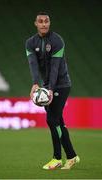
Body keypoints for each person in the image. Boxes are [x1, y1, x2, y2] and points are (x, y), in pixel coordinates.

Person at [25, 12, 80, 170]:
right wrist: (36, 84)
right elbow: (33, 64)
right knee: (58, 122)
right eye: (40, 21)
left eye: (46, 21)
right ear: (36, 23)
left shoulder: (57, 41)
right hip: (46, 85)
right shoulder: (30, 42)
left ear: (49, 23)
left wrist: (50, 89)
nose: (43, 24)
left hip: (61, 85)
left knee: (52, 120)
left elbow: (55, 68)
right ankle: (72, 156)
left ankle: (57, 158)